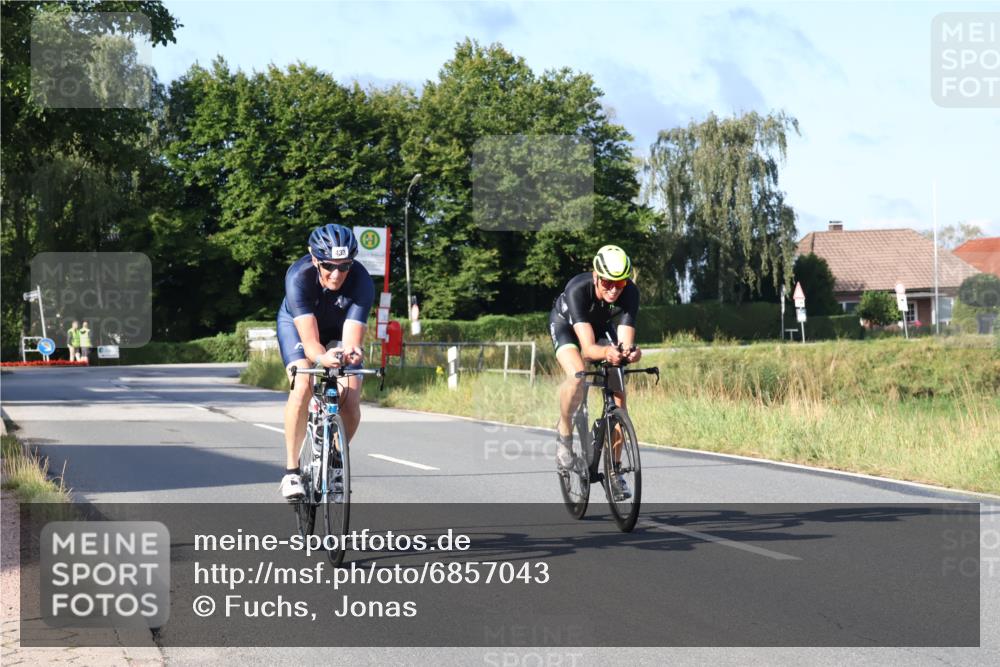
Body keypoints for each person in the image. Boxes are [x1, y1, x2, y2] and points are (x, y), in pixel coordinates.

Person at [277, 224, 374, 499]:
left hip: (338, 328)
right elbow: (311, 344)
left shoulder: (362, 282)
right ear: (314, 259)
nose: (336, 274)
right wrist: (322, 358)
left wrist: (352, 353)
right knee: (303, 384)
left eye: (344, 267)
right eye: (329, 265)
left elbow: (352, 339)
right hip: (299, 328)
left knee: (351, 398)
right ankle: (292, 472)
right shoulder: (298, 277)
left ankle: (335, 462)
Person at [549, 245, 641, 498]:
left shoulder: (630, 293)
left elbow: (625, 342)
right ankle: (564, 431)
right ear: (596, 276)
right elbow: (589, 350)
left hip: (600, 328)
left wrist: (630, 353)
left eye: (620, 283)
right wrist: (608, 352)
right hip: (566, 327)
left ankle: (615, 471)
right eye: (608, 282)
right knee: (577, 375)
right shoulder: (578, 289)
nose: (614, 289)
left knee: (619, 397)